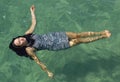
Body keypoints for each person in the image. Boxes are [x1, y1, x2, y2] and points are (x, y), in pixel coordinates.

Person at [9, 5, 111, 78]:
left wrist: (32, 12)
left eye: (18, 39)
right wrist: (48, 72)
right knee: (78, 41)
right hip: (56, 45)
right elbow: (38, 61)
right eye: (19, 42)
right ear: (21, 47)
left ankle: (101, 32)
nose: (20, 39)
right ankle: (102, 37)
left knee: (77, 35)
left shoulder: (27, 34)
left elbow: (33, 23)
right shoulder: (29, 50)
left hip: (55, 35)